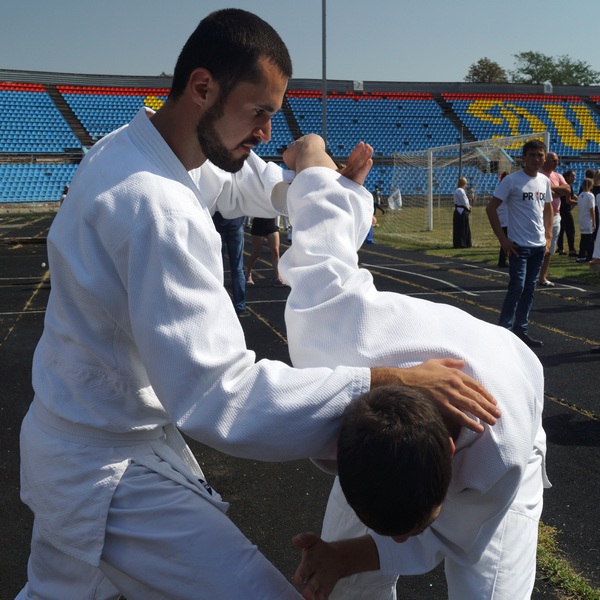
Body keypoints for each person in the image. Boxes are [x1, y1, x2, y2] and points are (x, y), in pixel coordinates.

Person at [16, 10, 499, 599]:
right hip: (107, 473)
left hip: (75, 436)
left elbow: (236, 181)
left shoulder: (136, 147)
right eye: (259, 112)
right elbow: (220, 394)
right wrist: (381, 380)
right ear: (202, 87)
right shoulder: (157, 207)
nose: (268, 132)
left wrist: (312, 178)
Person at [273, 153, 547, 600]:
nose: (399, 540)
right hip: (411, 406)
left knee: (488, 593)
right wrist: (314, 163)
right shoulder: (333, 336)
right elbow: (322, 245)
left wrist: (349, 553)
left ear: (453, 453)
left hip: (510, 396)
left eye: (420, 522)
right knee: (344, 581)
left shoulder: (500, 453)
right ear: (341, 449)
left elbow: (455, 537)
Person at [486, 140, 553, 348]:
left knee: (530, 288)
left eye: (540, 155)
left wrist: (548, 236)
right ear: (523, 158)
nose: (536, 159)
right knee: (517, 286)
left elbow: (548, 209)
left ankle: (521, 329)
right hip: (518, 246)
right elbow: (491, 209)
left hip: (538, 246)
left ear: (544, 158)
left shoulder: (544, 181)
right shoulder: (512, 181)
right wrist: (503, 240)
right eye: (532, 155)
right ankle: (504, 330)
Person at [537, 152, 571, 287]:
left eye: (557, 161)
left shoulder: (558, 176)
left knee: (549, 248)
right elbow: (540, 191)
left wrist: (549, 189)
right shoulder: (538, 174)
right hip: (539, 216)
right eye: (553, 160)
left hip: (555, 216)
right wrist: (557, 192)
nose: (556, 163)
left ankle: (542, 277)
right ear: (545, 160)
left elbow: (567, 189)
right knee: (535, 247)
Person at [212, 211, 249, 317]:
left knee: (218, 268)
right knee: (237, 269)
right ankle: (240, 306)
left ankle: (219, 305)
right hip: (235, 225)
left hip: (217, 227)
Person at [245, 216, 286, 286]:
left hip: (271, 225)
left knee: (275, 252)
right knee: (256, 252)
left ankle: (278, 278)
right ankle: (248, 273)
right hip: (258, 225)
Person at [557, 169, 577, 256]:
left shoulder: (560, 185)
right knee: (570, 230)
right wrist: (578, 202)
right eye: (572, 176)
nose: (574, 178)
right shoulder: (567, 186)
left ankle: (561, 249)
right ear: (567, 177)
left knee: (560, 231)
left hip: (560, 210)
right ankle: (571, 250)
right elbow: (568, 201)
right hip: (565, 211)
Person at [575, 178, 596, 262]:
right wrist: (594, 222)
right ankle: (588, 256)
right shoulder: (590, 195)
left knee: (583, 238)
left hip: (581, 218)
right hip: (587, 219)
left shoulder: (580, 195)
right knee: (589, 239)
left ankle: (581, 254)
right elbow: (592, 210)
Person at [452, 176, 472, 248]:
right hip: (462, 210)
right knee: (463, 227)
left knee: (458, 227)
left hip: (458, 209)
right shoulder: (460, 190)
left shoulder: (456, 190)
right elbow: (464, 201)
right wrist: (468, 207)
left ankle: (458, 242)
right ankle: (463, 243)